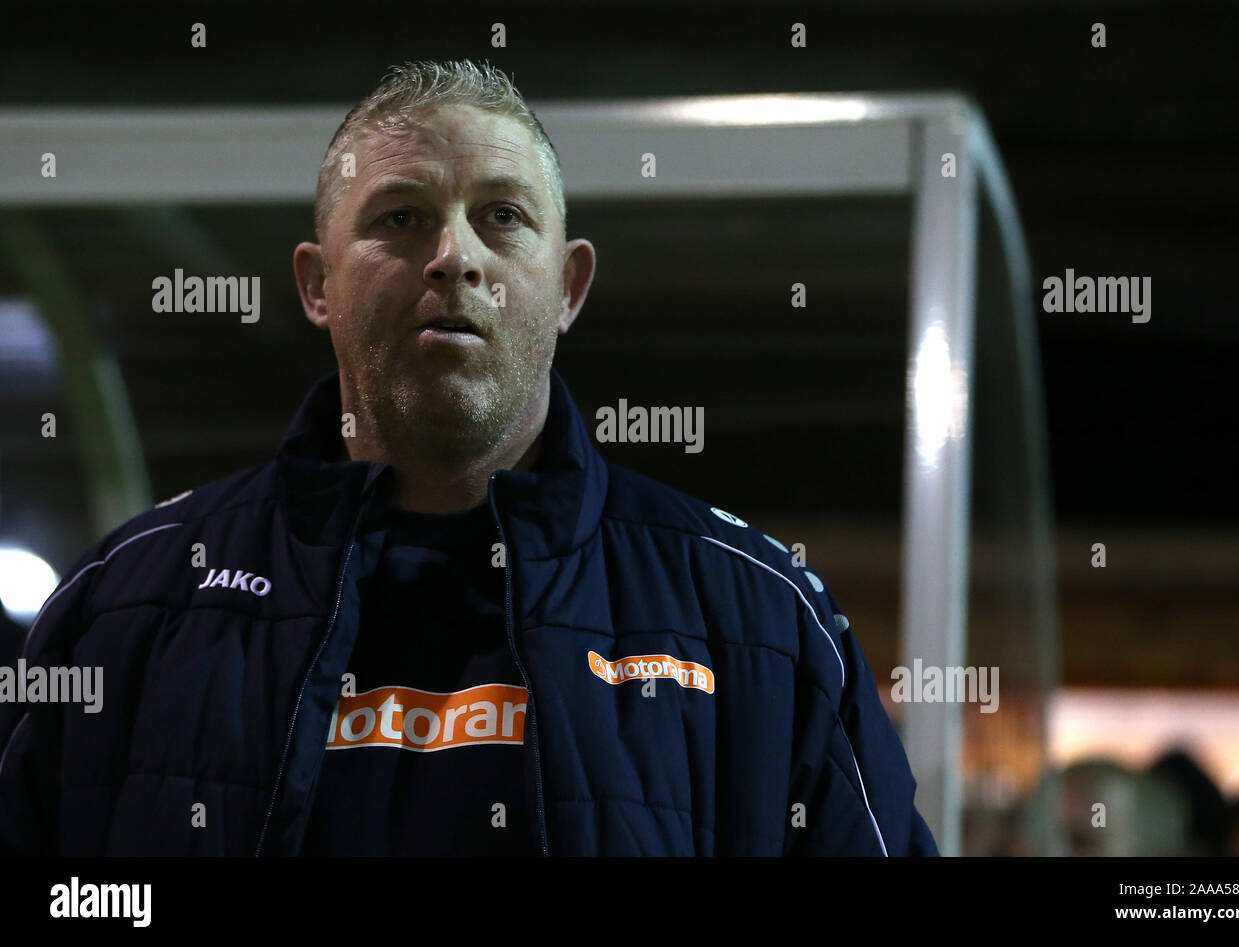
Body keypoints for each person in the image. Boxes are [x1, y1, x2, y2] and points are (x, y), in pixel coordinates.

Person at [0, 59, 937, 856]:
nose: (454, 256)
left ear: (568, 286)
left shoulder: (760, 622)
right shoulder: (128, 603)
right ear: (318, 284)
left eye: (501, 217)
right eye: (401, 219)